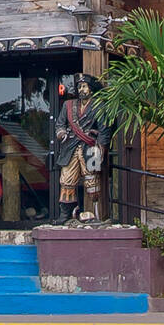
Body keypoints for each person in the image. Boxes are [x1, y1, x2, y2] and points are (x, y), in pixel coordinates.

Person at [55, 74, 111, 223]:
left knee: (92, 180)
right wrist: (61, 134)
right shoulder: (68, 105)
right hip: (70, 148)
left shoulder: (99, 106)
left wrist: (101, 148)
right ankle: (66, 215)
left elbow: (104, 130)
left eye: (84, 86)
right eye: (79, 87)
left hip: (90, 147)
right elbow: (60, 124)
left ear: (91, 89)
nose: (81, 89)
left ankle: (96, 213)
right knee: (67, 180)